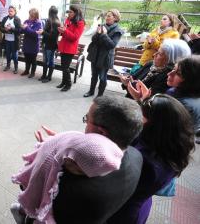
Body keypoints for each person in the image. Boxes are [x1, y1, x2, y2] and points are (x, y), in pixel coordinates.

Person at [52, 95, 144, 224]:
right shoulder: (136, 156)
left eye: (87, 119)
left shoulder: (72, 187)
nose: (85, 124)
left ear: (101, 133)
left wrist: (48, 155)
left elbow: (32, 194)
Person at [107, 94, 194, 224]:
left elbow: (114, 183)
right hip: (142, 204)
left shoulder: (144, 160)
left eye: (142, 115)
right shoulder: (172, 147)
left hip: (122, 211)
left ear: (153, 123)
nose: (138, 117)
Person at [11, 131, 124, 224]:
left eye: (73, 163)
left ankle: (21, 212)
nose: (66, 161)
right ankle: (22, 212)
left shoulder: (75, 190)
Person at [120, 38, 191, 98]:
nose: (154, 55)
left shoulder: (168, 76)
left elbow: (151, 100)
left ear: (171, 59)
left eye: (159, 54)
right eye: (157, 51)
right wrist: (126, 81)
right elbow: (133, 77)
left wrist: (129, 85)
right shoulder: (151, 64)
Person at [84, 9, 123, 97]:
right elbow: (93, 40)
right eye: (106, 16)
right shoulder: (102, 26)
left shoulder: (118, 30)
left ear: (115, 18)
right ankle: (91, 91)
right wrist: (97, 34)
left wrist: (104, 35)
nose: (106, 18)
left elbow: (112, 45)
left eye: (109, 16)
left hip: (105, 57)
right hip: (95, 55)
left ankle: (100, 96)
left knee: (102, 78)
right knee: (93, 75)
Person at [57, 5, 85, 91]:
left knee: (65, 67)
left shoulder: (80, 23)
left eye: (71, 12)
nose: (69, 13)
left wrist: (65, 31)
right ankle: (63, 82)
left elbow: (75, 37)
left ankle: (68, 84)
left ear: (76, 13)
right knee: (63, 66)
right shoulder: (68, 20)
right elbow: (65, 32)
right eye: (68, 11)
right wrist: (61, 31)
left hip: (70, 48)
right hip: (63, 46)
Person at [39, 6, 60, 83]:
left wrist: (43, 32)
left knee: (50, 61)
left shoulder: (55, 22)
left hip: (51, 45)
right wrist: (43, 32)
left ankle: (49, 77)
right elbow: (47, 33)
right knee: (45, 61)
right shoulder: (50, 21)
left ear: (50, 13)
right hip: (46, 44)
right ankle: (44, 75)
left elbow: (52, 36)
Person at [20, 8, 43, 78]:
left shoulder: (38, 23)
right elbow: (22, 31)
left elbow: (35, 34)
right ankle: (26, 70)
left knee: (33, 60)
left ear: (36, 16)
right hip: (26, 43)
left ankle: (32, 72)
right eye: (30, 15)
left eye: (32, 16)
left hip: (33, 45)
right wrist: (22, 28)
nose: (30, 17)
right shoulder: (27, 21)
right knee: (27, 59)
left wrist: (26, 28)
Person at [0, 6, 21, 74]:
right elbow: (1, 28)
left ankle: (16, 67)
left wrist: (11, 29)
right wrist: (5, 30)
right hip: (6, 40)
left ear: (15, 12)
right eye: (9, 11)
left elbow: (19, 30)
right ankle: (8, 65)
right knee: (8, 54)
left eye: (11, 11)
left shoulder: (17, 19)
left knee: (15, 55)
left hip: (14, 41)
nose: (10, 12)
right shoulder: (5, 18)